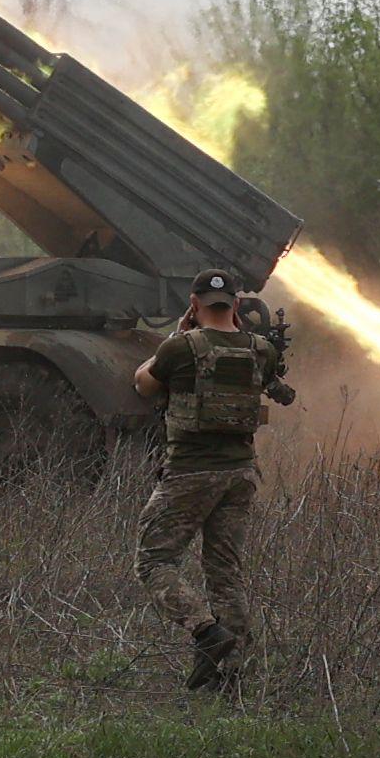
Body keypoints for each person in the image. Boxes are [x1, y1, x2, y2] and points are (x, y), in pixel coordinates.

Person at [130, 270, 296, 693]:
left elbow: (144, 384)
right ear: (237, 305)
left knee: (153, 561)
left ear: (195, 302)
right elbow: (274, 380)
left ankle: (206, 632)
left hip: (190, 470)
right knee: (225, 572)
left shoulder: (180, 348)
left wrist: (176, 334)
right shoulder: (260, 349)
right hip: (240, 472)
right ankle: (233, 674)